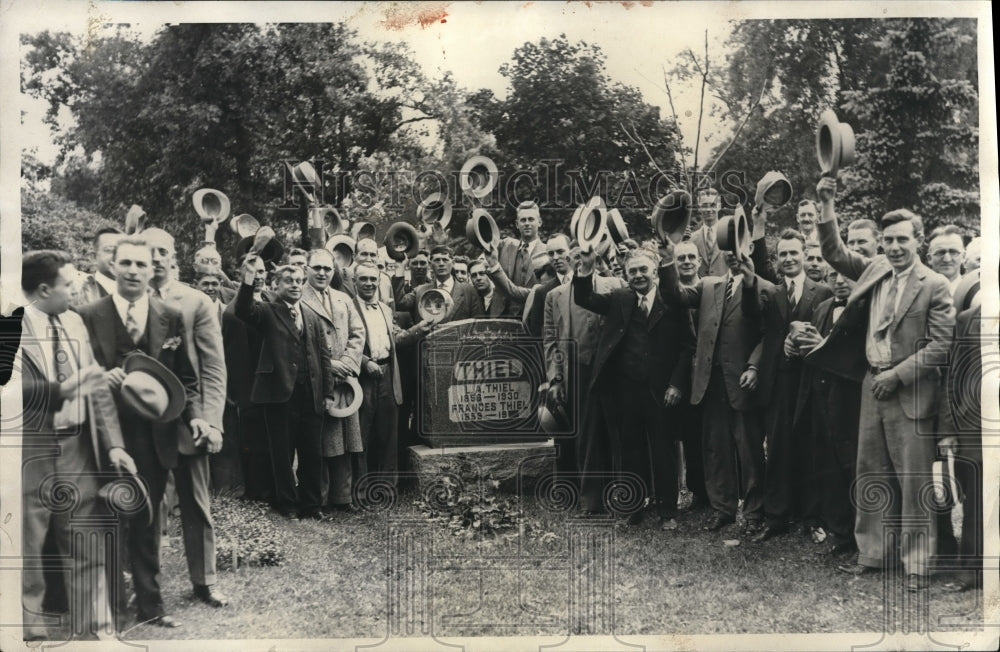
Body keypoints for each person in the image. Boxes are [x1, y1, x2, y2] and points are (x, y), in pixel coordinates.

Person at [810, 176, 954, 593]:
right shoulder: (874, 268)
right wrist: (827, 203)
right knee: (870, 474)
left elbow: (941, 346)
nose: (893, 247)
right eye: (888, 240)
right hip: (871, 389)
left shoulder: (936, 285)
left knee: (913, 483)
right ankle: (873, 554)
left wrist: (898, 374)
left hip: (910, 393)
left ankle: (917, 566)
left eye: (902, 240)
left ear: (918, 241)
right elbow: (834, 250)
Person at [77, 236, 202, 628]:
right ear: (112, 265)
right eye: (125, 263)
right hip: (103, 437)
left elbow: (187, 379)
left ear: (153, 270)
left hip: (155, 437)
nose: (132, 271)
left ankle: (152, 608)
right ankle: (111, 609)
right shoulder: (87, 314)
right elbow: (76, 375)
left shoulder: (170, 315)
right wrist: (99, 375)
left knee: (147, 521)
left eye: (141, 264)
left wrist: (195, 416)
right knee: (109, 520)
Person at [19, 250, 137, 641]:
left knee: (86, 539)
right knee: (28, 546)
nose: (77, 290)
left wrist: (115, 444)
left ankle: (95, 631)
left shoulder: (74, 321)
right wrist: (58, 390)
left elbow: (97, 386)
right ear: (42, 289)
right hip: (29, 453)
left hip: (77, 450)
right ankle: (29, 632)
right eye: (68, 285)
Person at [573, 248, 694, 528]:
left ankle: (668, 513)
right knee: (630, 451)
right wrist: (586, 267)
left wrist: (676, 384)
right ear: (625, 276)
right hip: (626, 391)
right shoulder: (620, 298)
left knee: (663, 452)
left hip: (662, 392)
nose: (638, 275)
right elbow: (584, 297)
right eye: (632, 271)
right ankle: (632, 510)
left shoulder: (673, 300)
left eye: (643, 270)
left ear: (654, 271)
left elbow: (688, 347)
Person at [143, 228, 229, 608]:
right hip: (146, 416)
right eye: (149, 252)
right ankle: (147, 583)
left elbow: (213, 367)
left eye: (163, 251)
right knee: (148, 503)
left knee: (196, 502)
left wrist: (211, 420)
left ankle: (204, 581)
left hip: (191, 415)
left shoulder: (195, 301)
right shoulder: (131, 299)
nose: (156, 258)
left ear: (173, 255)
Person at [659, 240, 768, 534]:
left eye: (739, 252)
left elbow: (767, 334)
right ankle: (723, 509)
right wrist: (668, 261)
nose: (734, 257)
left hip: (743, 381)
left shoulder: (762, 286)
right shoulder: (709, 285)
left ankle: (755, 512)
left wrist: (755, 366)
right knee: (715, 448)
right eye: (729, 253)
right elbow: (674, 295)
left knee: (748, 449)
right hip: (710, 381)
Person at [234, 257, 338, 521]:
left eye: (299, 281)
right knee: (281, 452)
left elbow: (324, 357)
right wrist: (247, 280)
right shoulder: (267, 311)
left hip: (311, 393)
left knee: (312, 453)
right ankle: (287, 504)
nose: (295, 285)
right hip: (279, 394)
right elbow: (243, 310)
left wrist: (327, 393)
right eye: (288, 281)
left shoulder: (312, 316)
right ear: (276, 284)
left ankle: (311, 506)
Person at [749, 227, 833, 542]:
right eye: (782, 254)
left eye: (793, 253)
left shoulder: (822, 292)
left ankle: (812, 517)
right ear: (777, 258)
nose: (788, 258)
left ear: (803, 255)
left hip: (810, 381)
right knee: (779, 447)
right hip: (779, 383)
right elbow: (764, 333)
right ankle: (776, 517)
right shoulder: (771, 293)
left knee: (811, 446)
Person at [788, 269, 862, 556]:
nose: (840, 281)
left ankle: (860, 537)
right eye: (833, 276)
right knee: (829, 467)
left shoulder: (863, 309)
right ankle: (840, 533)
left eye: (846, 276)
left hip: (850, 398)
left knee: (853, 467)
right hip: (820, 397)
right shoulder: (820, 308)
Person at [544, 244, 625, 497]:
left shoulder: (615, 285)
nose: (581, 261)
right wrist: (556, 379)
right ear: (570, 259)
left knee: (617, 430)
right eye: (576, 257)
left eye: (585, 256)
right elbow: (550, 340)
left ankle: (622, 493)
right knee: (586, 434)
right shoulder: (555, 295)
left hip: (613, 369)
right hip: (577, 370)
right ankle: (590, 498)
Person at [300, 248, 366, 513]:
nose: (322, 273)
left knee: (347, 440)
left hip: (345, 380)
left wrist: (348, 364)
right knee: (319, 442)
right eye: (316, 268)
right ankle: (320, 498)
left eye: (327, 268)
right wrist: (331, 366)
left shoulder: (343, 298)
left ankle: (343, 497)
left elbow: (358, 333)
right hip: (317, 381)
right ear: (306, 269)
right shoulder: (299, 298)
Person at [352, 262, 426, 485]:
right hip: (362, 377)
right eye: (363, 279)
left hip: (387, 375)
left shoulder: (385, 309)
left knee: (388, 435)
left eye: (373, 279)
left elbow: (397, 339)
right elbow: (342, 344)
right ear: (355, 281)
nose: (369, 283)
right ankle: (361, 489)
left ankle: (386, 489)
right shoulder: (348, 307)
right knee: (361, 436)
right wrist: (364, 363)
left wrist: (419, 328)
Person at [938, 274, 982, 593]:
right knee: (975, 502)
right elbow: (951, 377)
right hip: (973, 429)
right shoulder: (965, 321)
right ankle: (970, 570)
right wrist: (948, 430)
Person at [666, 240, 709, 508]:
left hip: (706, 372)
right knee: (682, 433)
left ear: (700, 261)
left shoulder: (710, 289)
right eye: (680, 258)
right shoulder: (668, 292)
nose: (686, 262)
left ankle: (709, 491)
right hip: (677, 373)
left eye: (691, 257)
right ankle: (688, 489)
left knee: (706, 434)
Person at [395, 245, 484, 324]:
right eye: (437, 260)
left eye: (445, 260)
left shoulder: (468, 291)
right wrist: (400, 266)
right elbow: (400, 303)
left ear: (452, 263)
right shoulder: (420, 291)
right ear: (430, 264)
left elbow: (478, 323)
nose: (441, 264)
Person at [495, 200, 546, 316]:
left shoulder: (548, 253)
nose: (527, 223)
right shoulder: (506, 246)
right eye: (523, 220)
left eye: (531, 219)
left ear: (540, 222)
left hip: (533, 318)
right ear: (517, 224)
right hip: (502, 318)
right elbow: (486, 241)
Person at [74, 227, 123, 307]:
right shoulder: (81, 292)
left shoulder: (136, 293)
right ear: (94, 257)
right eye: (109, 250)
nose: (117, 256)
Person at [688, 189, 728, 278]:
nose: (709, 209)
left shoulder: (730, 235)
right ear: (699, 208)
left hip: (724, 288)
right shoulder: (692, 239)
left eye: (713, 205)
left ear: (719, 206)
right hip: (699, 289)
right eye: (704, 205)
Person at [926, 224, 966, 293]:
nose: (947, 259)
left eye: (953, 252)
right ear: (929, 259)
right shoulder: (919, 292)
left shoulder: (972, 291)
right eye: (940, 253)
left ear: (963, 257)